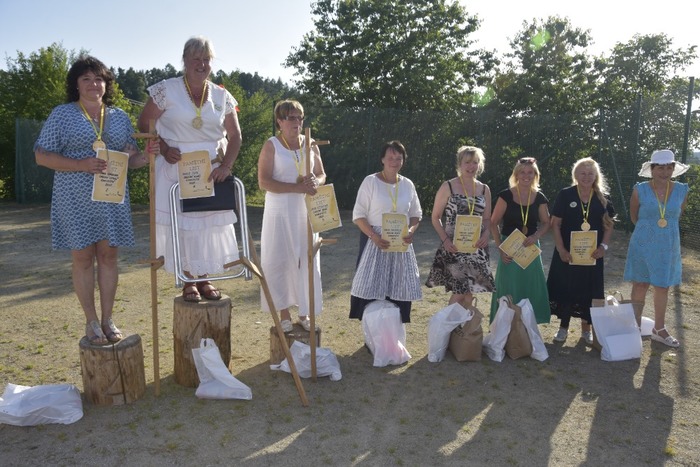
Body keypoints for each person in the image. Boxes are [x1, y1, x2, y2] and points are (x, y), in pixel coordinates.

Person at [34, 55, 158, 345]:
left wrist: (147, 156)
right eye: (86, 79)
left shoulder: (119, 117)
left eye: (99, 78)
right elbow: (41, 156)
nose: (94, 84)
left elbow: (130, 158)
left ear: (107, 83)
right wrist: (81, 164)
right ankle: (91, 321)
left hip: (111, 196)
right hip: (74, 197)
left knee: (109, 257)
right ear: (76, 84)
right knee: (82, 258)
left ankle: (107, 319)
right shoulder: (62, 114)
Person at [138, 36, 242, 302]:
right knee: (183, 226)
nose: (201, 64)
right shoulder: (166, 89)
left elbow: (235, 136)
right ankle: (188, 281)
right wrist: (163, 147)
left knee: (206, 227)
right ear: (184, 60)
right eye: (196, 58)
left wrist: (226, 166)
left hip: (211, 171)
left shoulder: (221, 95)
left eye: (206, 59)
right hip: (176, 167)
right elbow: (144, 123)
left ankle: (204, 278)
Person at [257, 100, 326, 332]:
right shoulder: (272, 145)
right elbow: (264, 182)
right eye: (291, 118)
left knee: (307, 257)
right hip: (279, 211)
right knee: (279, 259)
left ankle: (304, 313)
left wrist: (316, 181)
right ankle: (284, 313)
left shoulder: (311, 143)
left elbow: (322, 174)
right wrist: (296, 188)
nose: (297, 122)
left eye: (300, 117)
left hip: (306, 211)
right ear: (280, 121)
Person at [349, 140, 422, 323]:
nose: (394, 162)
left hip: (400, 243)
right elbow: (358, 215)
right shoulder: (370, 181)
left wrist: (411, 230)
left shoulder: (408, 184)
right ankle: (372, 330)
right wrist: (374, 236)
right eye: (390, 157)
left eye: (399, 158)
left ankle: (394, 330)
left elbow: (416, 214)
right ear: (382, 159)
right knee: (371, 287)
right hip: (374, 240)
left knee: (398, 287)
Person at [623, 149, 690, 348]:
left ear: (673, 169)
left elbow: (677, 214)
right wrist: (647, 231)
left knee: (662, 286)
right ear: (652, 169)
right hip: (643, 244)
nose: (665, 172)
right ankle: (634, 327)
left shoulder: (682, 190)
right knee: (640, 284)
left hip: (668, 245)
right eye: (660, 168)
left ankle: (659, 329)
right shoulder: (640, 189)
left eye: (669, 168)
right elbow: (634, 216)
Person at [547, 158, 615, 344]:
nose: (586, 177)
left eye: (590, 173)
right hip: (568, 254)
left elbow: (609, 226)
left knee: (589, 289)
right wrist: (561, 249)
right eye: (582, 173)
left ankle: (586, 329)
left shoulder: (604, 198)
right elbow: (555, 224)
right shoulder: (565, 194)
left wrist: (603, 247)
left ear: (596, 176)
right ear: (575, 175)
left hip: (592, 255)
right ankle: (563, 328)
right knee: (567, 288)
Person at [426, 146, 495, 308]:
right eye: (467, 162)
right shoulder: (448, 186)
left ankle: (465, 325)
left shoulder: (484, 189)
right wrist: (445, 240)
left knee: (469, 295)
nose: (471, 166)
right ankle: (446, 324)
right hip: (454, 247)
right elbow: (435, 217)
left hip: (476, 248)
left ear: (480, 165)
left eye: (475, 162)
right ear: (460, 164)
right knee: (459, 293)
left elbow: (487, 219)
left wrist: (486, 235)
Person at [489, 157, 551, 324]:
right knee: (508, 286)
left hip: (530, 248)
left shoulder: (540, 197)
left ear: (535, 175)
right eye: (522, 172)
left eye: (530, 172)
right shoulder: (506, 195)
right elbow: (493, 223)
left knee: (531, 285)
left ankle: (528, 325)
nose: (526, 176)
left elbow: (547, 222)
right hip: (509, 248)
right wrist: (501, 248)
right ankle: (505, 324)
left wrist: (535, 236)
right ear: (516, 175)